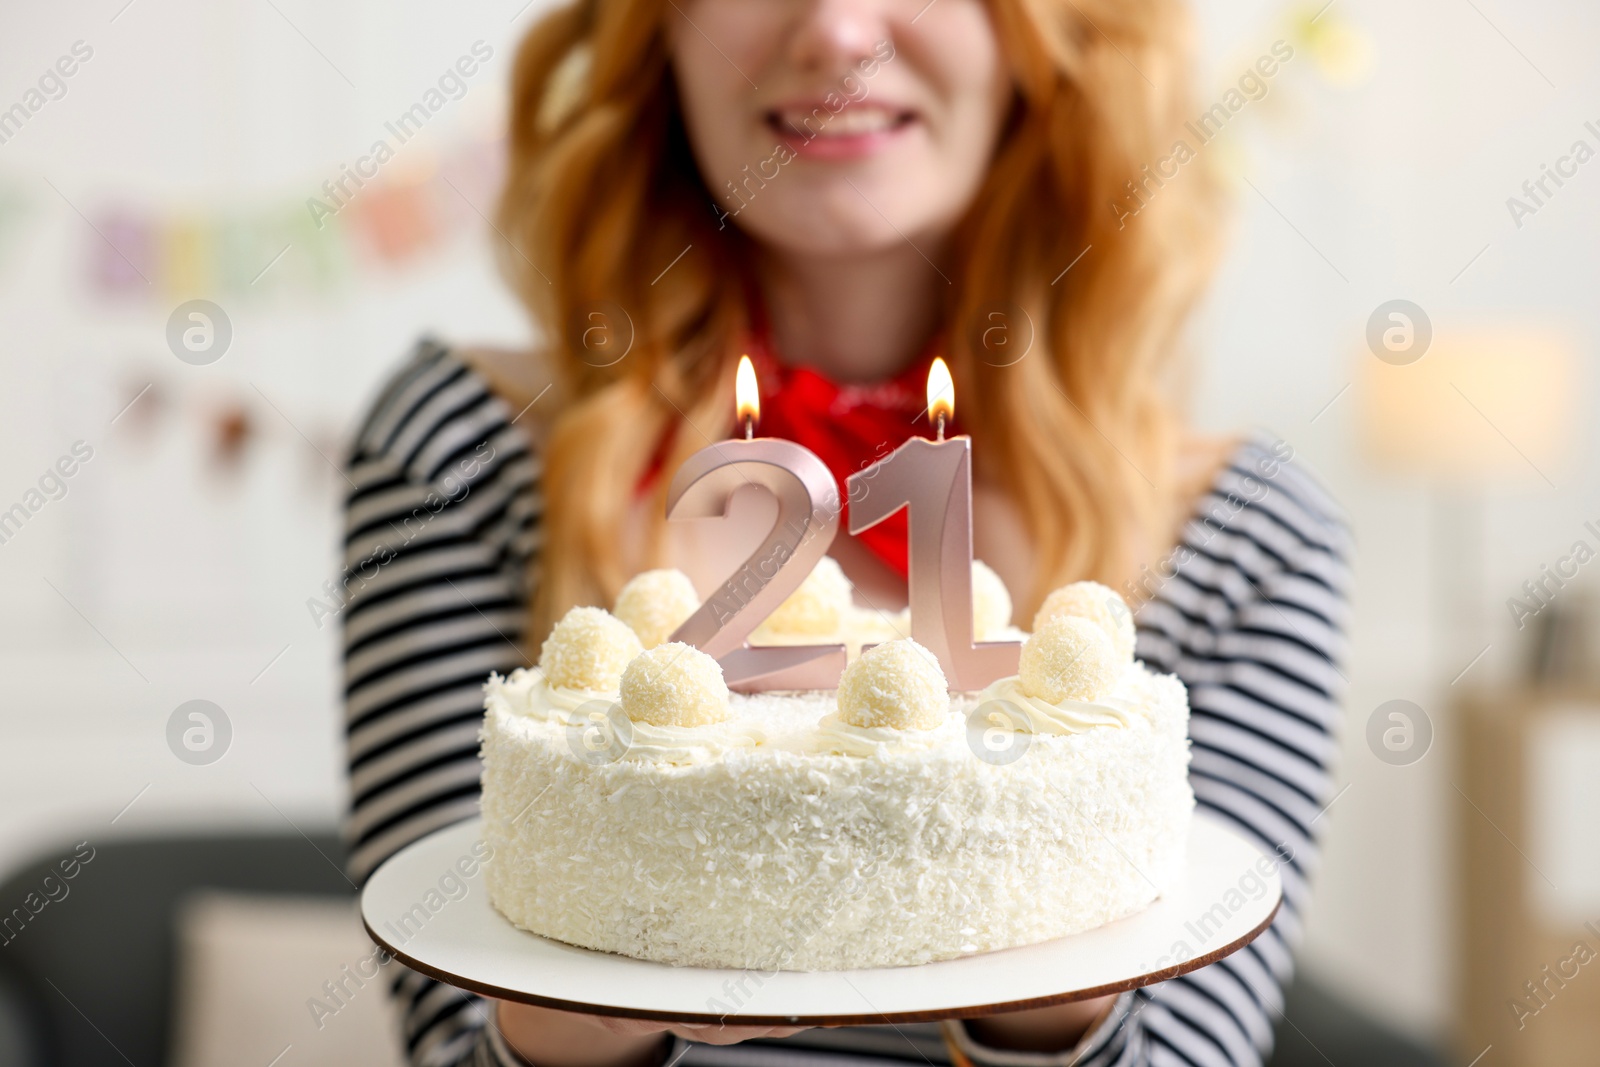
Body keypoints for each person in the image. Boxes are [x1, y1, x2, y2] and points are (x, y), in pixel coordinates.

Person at [340, 0, 1350, 1061]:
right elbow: (451, 1042)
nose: (834, 31)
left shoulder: (1248, 535)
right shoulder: (454, 452)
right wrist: (593, 990)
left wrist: (1031, 947)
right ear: (654, 30)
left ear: (1055, 34)